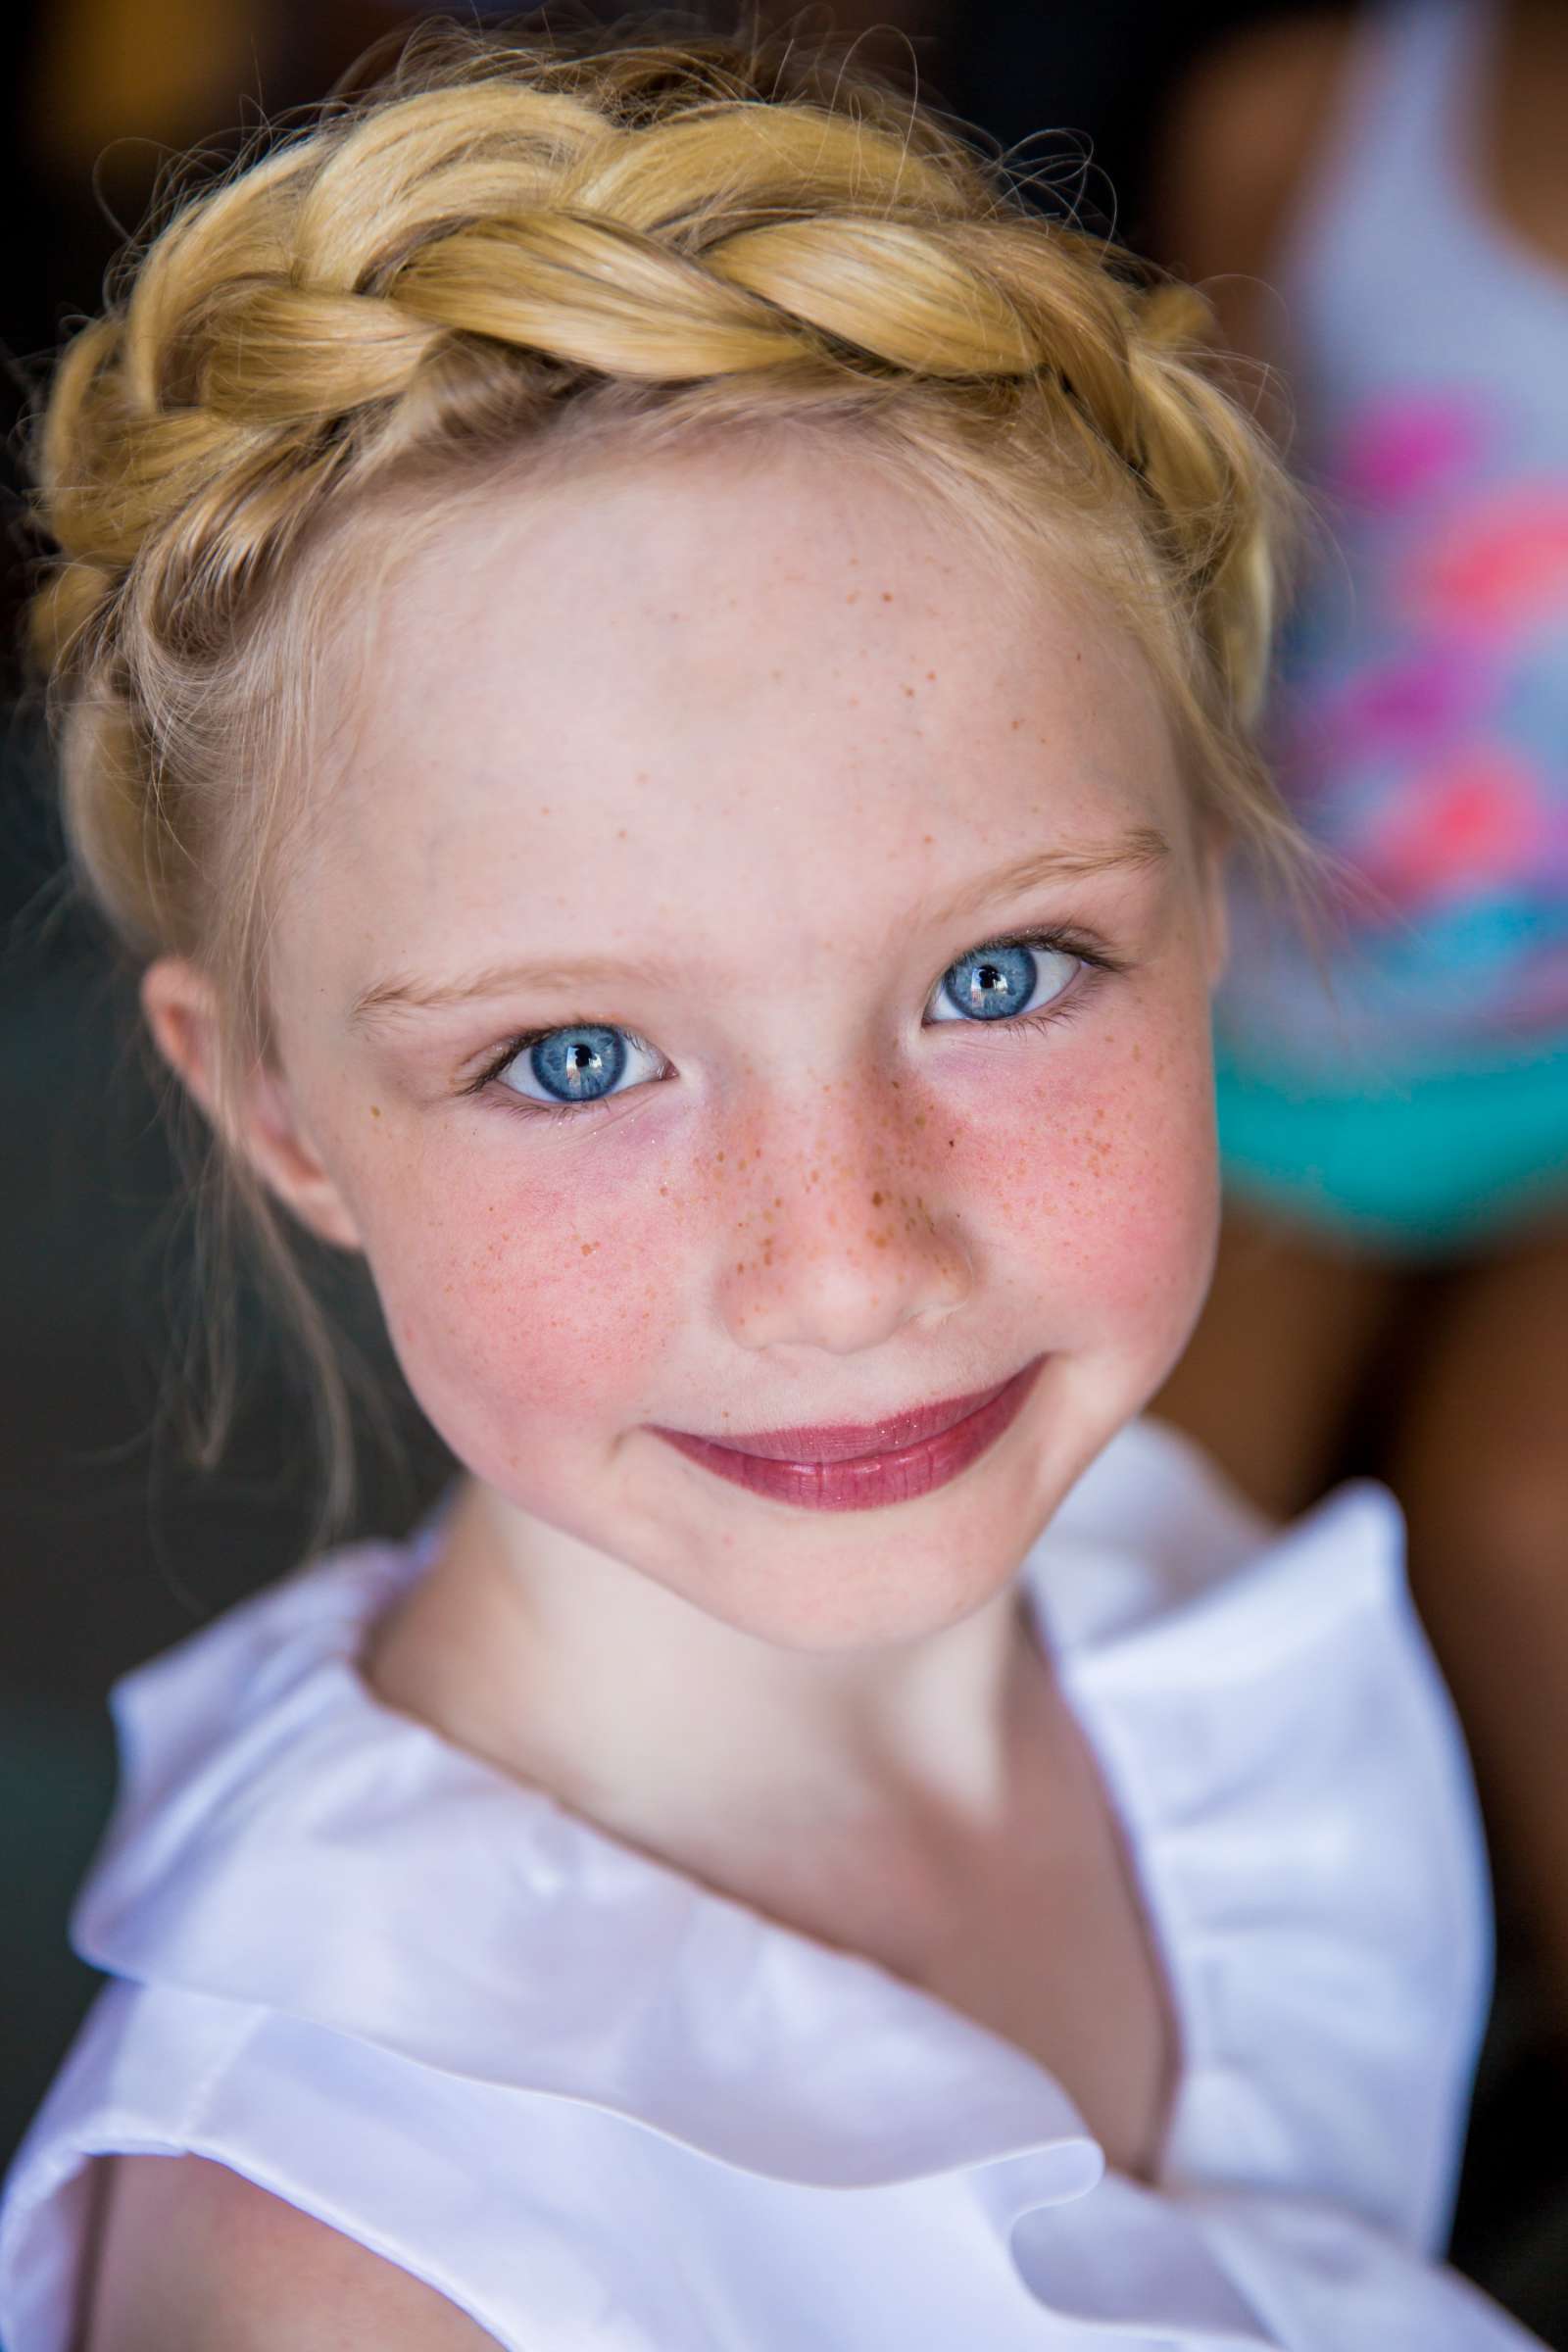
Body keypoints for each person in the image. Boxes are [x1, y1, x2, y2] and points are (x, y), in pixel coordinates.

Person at [0, 24, 1541, 2348]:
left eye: (1002, 974)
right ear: (280, 1114)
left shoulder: (1154, 1597)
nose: (848, 1271)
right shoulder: (352, 2284)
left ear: (1210, 915)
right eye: (576, 1055)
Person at [1150, 0, 1568, 2050]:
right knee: (1132, 1563)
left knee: (1531, 1523)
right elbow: (1174, 600)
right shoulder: (1298, 125)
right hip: (1290, 1033)